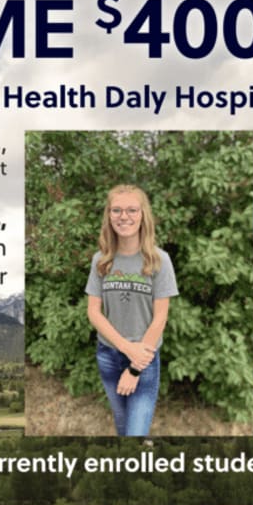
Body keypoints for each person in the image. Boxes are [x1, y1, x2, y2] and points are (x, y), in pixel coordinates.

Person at [86, 185, 178, 436]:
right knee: (123, 426)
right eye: (116, 210)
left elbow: (160, 317)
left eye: (131, 210)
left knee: (135, 433)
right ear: (108, 215)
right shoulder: (101, 260)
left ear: (142, 215)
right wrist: (126, 349)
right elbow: (94, 311)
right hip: (109, 355)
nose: (123, 216)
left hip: (145, 358)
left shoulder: (158, 260)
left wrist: (136, 366)